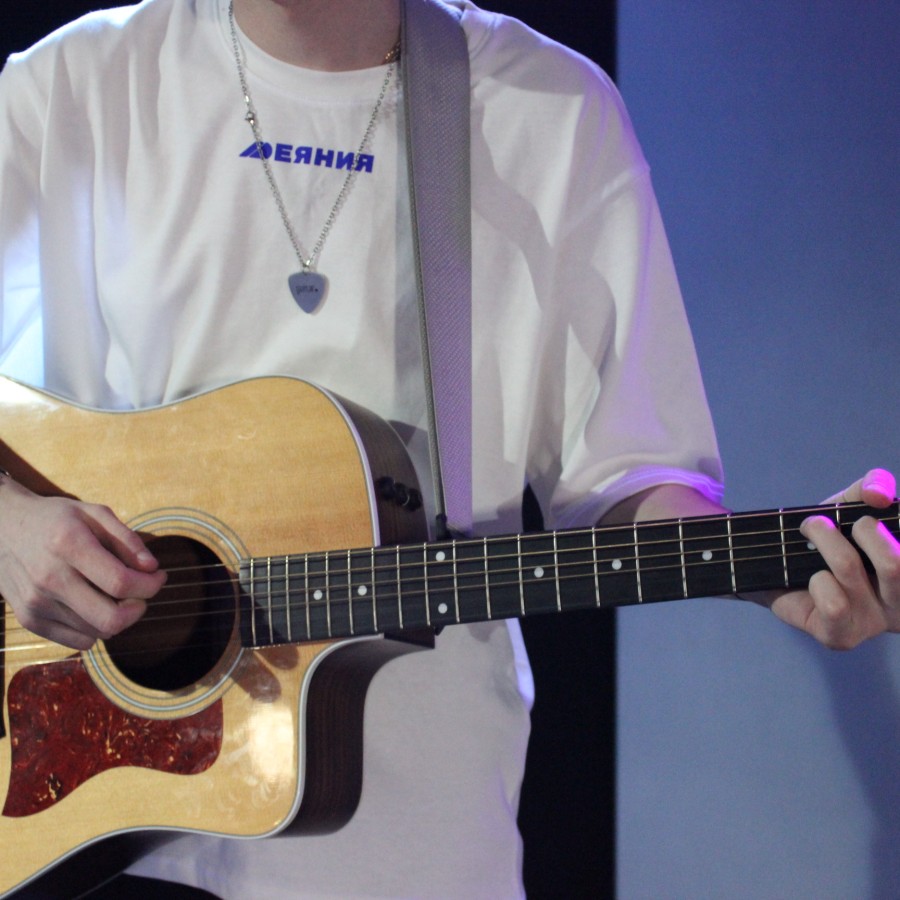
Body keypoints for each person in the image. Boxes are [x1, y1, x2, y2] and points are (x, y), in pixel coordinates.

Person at [0, 0, 897, 897]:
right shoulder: (72, 83)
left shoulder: (548, 108)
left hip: (411, 840)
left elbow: (623, 472)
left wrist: (774, 564)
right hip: (77, 824)